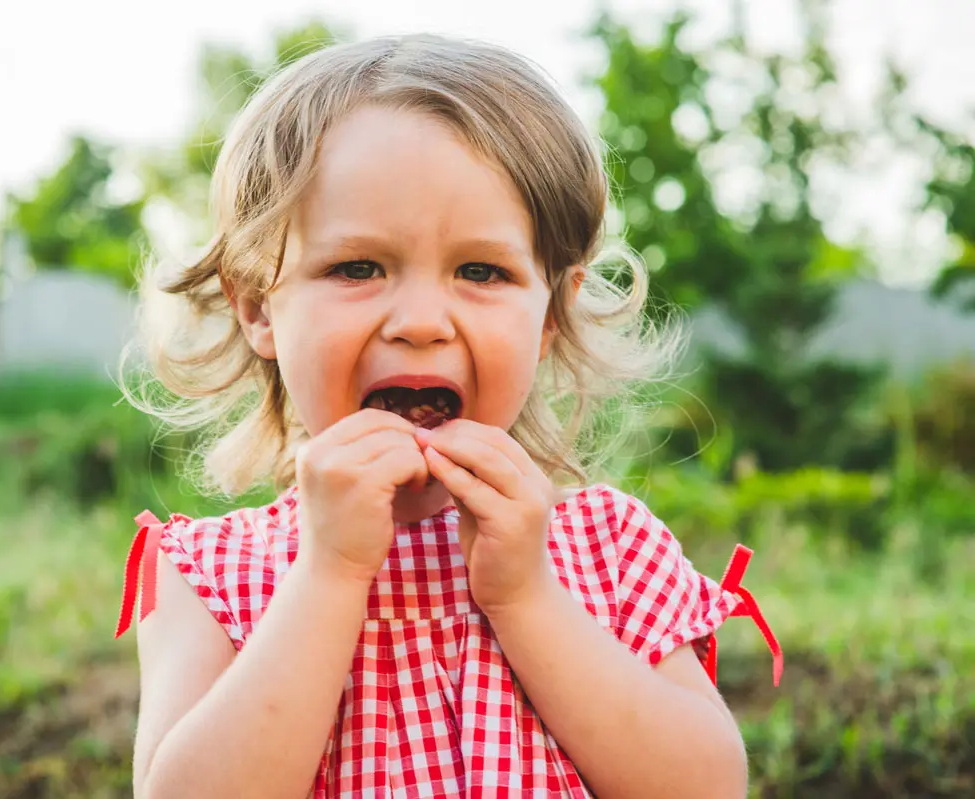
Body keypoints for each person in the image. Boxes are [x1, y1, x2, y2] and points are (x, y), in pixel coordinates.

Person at [115, 33, 782, 799]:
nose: (422, 321)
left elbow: (705, 786)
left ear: (550, 317)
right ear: (259, 307)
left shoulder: (609, 551)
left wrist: (526, 595)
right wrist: (330, 572)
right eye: (358, 267)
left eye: (481, 271)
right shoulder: (213, 576)